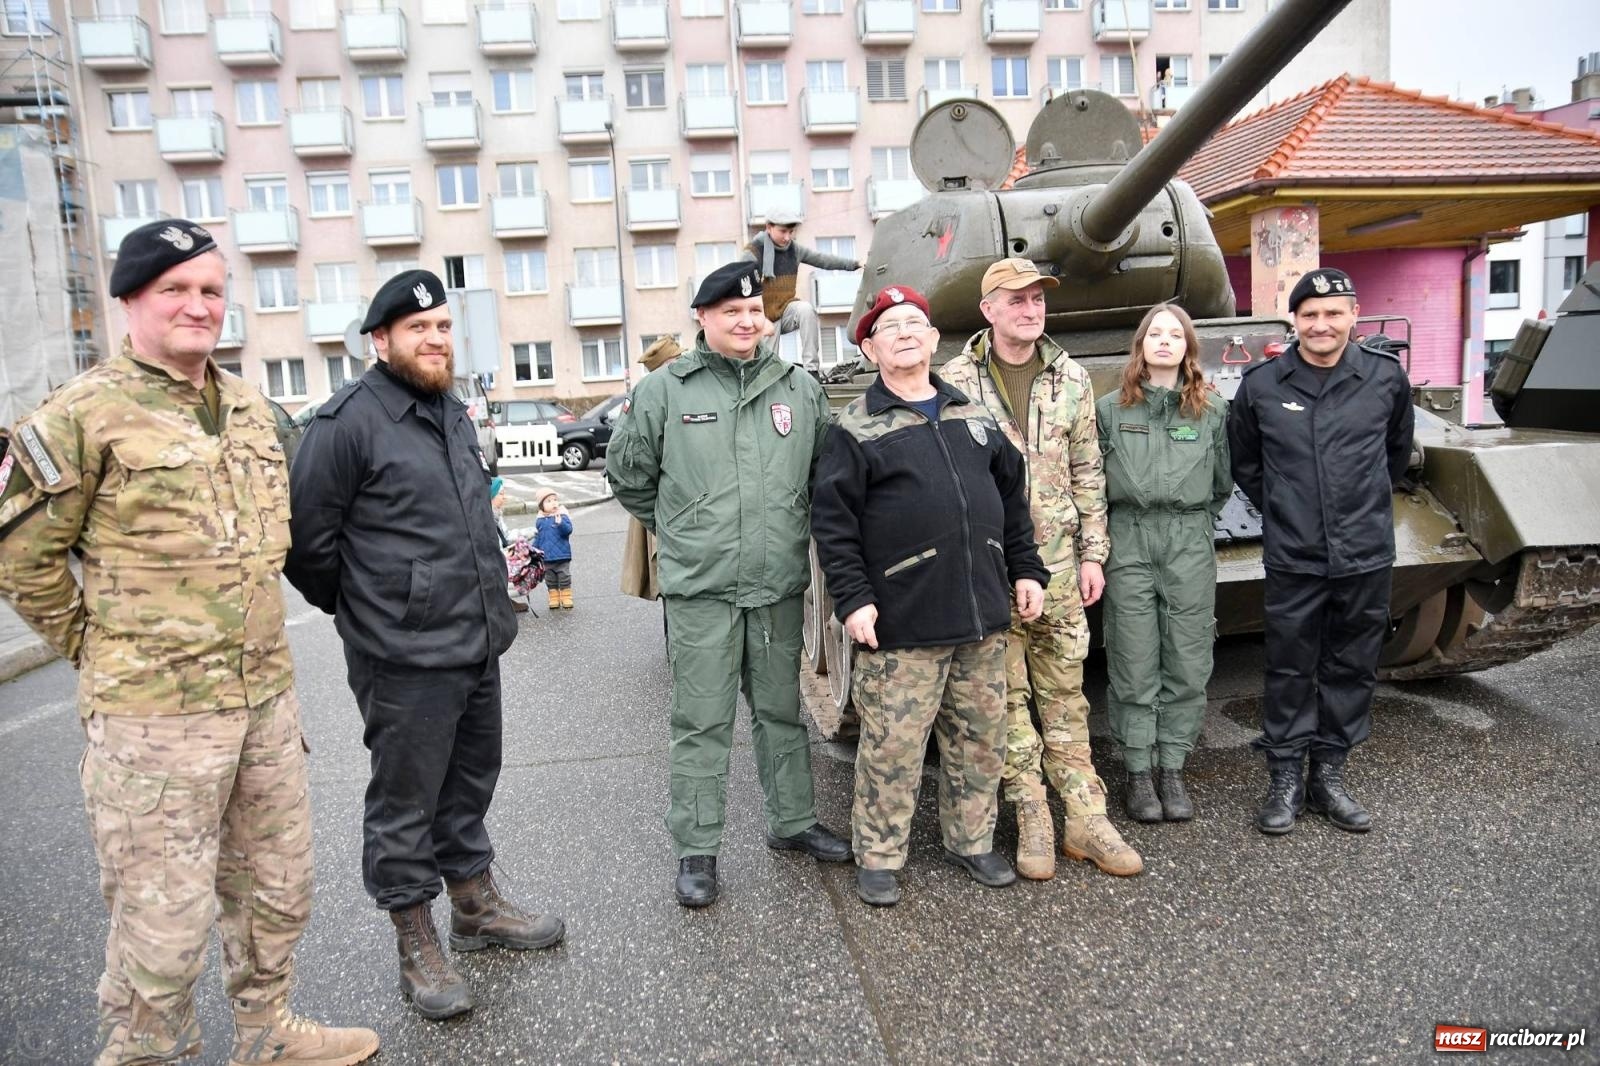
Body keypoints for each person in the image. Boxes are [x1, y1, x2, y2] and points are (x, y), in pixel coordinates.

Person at [0, 219, 378, 1066]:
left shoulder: (250, 408)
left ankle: (265, 1033)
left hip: (264, 706)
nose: (197, 306)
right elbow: (21, 560)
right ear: (130, 299)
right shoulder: (80, 416)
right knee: (161, 920)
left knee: (278, 887)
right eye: (174, 288)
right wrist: (100, 651)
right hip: (152, 723)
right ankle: (145, 1053)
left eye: (210, 290)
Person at [284, 269, 564, 1021]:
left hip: (475, 639)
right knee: (405, 801)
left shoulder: (449, 411)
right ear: (381, 340)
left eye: (443, 326)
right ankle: (416, 939)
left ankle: (473, 905)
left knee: (469, 780)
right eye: (418, 329)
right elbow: (307, 547)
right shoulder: (345, 423)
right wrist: (373, 614)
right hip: (402, 654)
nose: (435, 339)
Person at [606, 260, 851, 908]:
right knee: (701, 720)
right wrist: (681, 523)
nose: (746, 321)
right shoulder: (667, 391)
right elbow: (628, 475)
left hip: (774, 586)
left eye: (755, 312)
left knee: (780, 712)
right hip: (702, 590)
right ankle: (698, 848)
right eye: (731, 312)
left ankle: (793, 822)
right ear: (703, 319)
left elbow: (827, 476)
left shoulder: (797, 390)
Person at [812, 285, 1049, 907]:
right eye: (890, 326)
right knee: (893, 742)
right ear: (870, 347)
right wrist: (854, 599)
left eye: (915, 322)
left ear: (934, 338)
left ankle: (971, 841)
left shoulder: (974, 417)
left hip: (981, 612)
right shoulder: (855, 427)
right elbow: (833, 526)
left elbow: (1011, 506)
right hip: (904, 616)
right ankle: (880, 853)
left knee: (979, 738)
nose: (906, 332)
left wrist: (1026, 570)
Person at [941, 257, 1143, 881]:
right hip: (990, 569)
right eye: (1017, 299)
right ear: (989, 310)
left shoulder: (1072, 378)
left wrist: (1093, 555)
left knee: (1065, 695)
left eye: (1037, 299)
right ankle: (1032, 812)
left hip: (1057, 567)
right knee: (1004, 699)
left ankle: (1085, 816)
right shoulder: (952, 381)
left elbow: (1089, 471)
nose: (1031, 309)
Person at [1227, 267, 1414, 835]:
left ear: (1354, 316)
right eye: (1310, 315)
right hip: (1295, 554)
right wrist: (1288, 508)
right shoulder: (1263, 385)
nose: (1322, 324)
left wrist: (1357, 507)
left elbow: (1396, 456)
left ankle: (1329, 774)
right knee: (1289, 666)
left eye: (1333, 314)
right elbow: (1247, 465)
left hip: (1364, 552)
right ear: (1295, 321)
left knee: (1352, 665)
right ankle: (1285, 776)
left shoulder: (1384, 379)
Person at [1096, 304, 1231, 823]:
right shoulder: (1112, 409)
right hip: (1128, 537)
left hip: (1187, 541)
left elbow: (1221, 485)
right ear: (1141, 344)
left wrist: (1188, 523)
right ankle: (1137, 773)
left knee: (1188, 658)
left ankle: (1171, 768)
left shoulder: (1211, 412)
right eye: (1157, 333)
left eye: (1176, 334)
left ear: (1188, 347)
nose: (1166, 341)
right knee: (1133, 659)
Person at [741, 207, 862, 374]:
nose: (787, 237)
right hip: (762, 315)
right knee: (766, 363)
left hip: (786, 310)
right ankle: (765, 375)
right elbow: (741, 285)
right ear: (769, 227)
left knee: (806, 310)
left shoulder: (794, 250)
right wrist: (754, 316)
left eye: (791, 232)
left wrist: (853, 264)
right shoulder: (753, 252)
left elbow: (822, 259)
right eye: (783, 231)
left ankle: (811, 369)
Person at [533, 489, 574, 610]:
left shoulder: (562, 515)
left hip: (562, 555)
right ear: (542, 506)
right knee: (550, 578)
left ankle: (566, 596)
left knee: (564, 576)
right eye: (549, 501)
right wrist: (534, 551)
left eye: (555, 500)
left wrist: (560, 523)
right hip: (547, 557)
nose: (553, 503)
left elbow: (568, 531)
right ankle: (554, 597)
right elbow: (539, 537)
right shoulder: (540, 520)